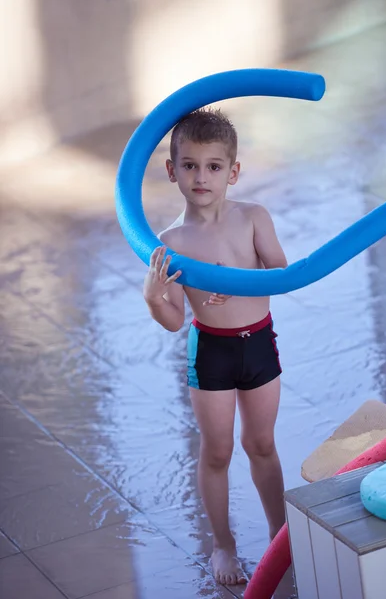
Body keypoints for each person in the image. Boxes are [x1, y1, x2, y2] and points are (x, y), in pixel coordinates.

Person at [143, 108, 288, 586]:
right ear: (171, 171)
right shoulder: (171, 243)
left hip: (259, 343)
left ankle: (278, 532)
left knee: (262, 443)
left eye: (213, 166)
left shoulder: (253, 218)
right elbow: (175, 321)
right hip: (212, 352)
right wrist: (154, 299)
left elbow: (280, 273)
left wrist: (239, 281)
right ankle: (223, 545)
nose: (201, 176)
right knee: (218, 450)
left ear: (233, 171)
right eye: (189, 165)